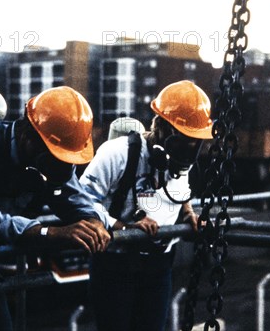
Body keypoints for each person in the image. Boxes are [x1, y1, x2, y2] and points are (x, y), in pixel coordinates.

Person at [0, 86, 111, 330]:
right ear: (27, 136)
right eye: (55, 158)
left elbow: (75, 199)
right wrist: (48, 232)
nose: (60, 168)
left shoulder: (53, 162)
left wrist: (92, 221)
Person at [80, 80, 210, 331]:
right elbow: (83, 201)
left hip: (158, 268)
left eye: (193, 141)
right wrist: (123, 226)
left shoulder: (183, 162)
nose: (188, 148)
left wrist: (189, 214)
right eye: (182, 139)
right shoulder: (115, 153)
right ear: (160, 126)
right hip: (115, 267)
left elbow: (180, 192)